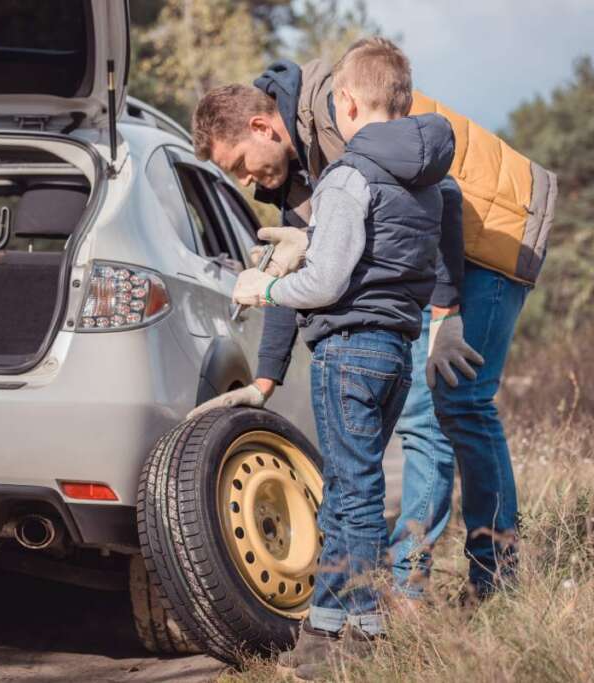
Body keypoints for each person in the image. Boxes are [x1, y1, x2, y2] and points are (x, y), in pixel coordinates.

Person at [189, 40, 557, 602]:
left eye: (239, 164)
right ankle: (410, 583)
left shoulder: (336, 119)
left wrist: (446, 314)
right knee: (426, 413)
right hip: (442, 246)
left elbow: (441, 198)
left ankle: (496, 579)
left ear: (264, 126)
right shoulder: (296, 175)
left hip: (496, 230)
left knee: (460, 401)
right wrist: (265, 380)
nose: (243, 180)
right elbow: (304, 278)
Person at [223, 39, 453, 678]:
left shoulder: (348, 177)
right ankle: (333, 627)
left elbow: (323, 284)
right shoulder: (427, 180)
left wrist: (263, 286)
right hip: (393, 352)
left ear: (346, 101)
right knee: (352, 490)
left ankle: (349, 634)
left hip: (346, 349)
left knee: (351, 493)